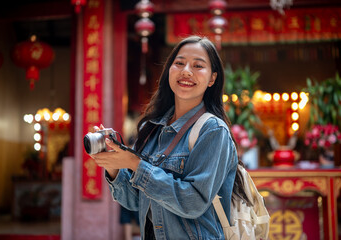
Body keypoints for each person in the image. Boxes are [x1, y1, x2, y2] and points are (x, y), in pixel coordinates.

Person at [90, 35, 250, 239]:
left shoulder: (213, 130)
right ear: (168, 72)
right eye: (179, 63)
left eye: (198, 65)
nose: (186, 71)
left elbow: (193, 203)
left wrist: (136, 165)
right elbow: (135, 202)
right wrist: (114, 166)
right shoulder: (152, 129)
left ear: (212, 78)